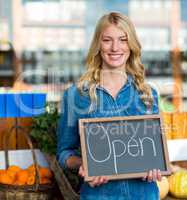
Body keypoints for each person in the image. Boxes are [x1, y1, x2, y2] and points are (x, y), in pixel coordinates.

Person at [57, 12, 162, 200]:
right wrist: (85, 164)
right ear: (98, 44)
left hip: (144, 195)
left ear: (131, 45)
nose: (115, 47)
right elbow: (64, 154)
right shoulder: (76, 95)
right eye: (107, 40)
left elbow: (156, 150)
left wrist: (156, 166)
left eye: (123, 40)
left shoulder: (147, 95)